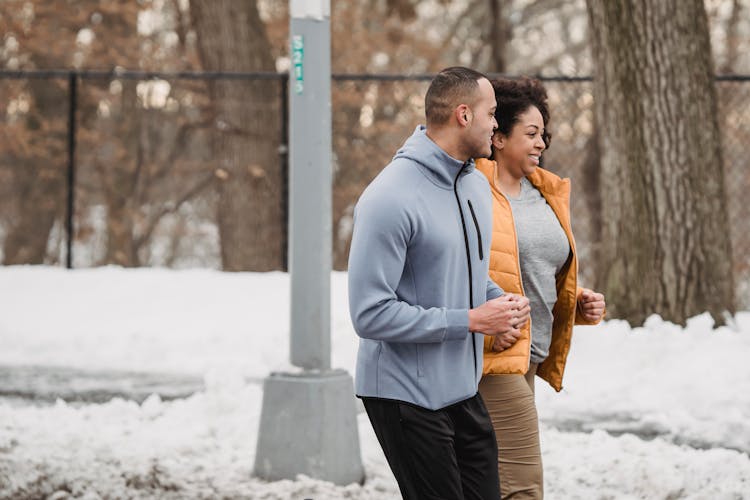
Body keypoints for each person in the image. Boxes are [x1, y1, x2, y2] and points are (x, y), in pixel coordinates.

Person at [348, 67, 531, 500]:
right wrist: (470, 320)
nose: (496, 124)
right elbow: (369, 313)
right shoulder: (390, 198)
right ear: (463, 115)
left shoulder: (471, 183)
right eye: (491, 114)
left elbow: (461, 269)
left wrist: (497, 303)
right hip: (403, 395)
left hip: (461, 389)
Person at [475, 77, 606, 499]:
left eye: (543, 135)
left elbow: (532, 266)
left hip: (529, 354)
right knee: (522, 485)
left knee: (495, 479)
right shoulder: (473, 191)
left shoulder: (544, 192)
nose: (540, 144)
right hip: (489, 357)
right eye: (530, 134)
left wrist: (576, 299)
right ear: (497, 137)